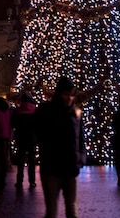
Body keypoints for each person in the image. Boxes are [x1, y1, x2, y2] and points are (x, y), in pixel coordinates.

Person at [35, 76, 85, 218]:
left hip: (70, 166)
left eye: (72, 94)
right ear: (59, 93)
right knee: (51, 209)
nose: (69, 98)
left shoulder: (76, 113)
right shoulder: (46, 111)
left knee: (72, 208)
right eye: (65, 94)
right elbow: (40, 134)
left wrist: (80, 156)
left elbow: (80, 138)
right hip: (52, 166)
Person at [11, 92, 39, 189]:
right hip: (31, 138)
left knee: (20, 161)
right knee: (31, 160)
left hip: (21, 138)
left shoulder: (18, 111)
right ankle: (32, 181)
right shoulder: (35, 111)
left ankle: (19, 181)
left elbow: (13, 124)